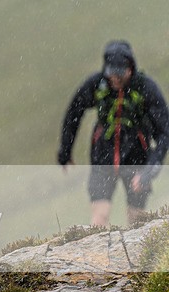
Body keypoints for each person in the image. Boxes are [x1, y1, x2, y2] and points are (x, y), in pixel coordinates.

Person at [58, 40, 169, 226]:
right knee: (99, 220)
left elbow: (165, 133)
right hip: (103, 155)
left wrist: (150, 169)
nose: (115, 79)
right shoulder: (97, 84)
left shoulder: (146, 88)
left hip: (137, 157)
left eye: (120, 74)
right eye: (111, 73)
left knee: (137, 222)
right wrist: (65, 150)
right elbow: (73, 113)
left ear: (130, 69)